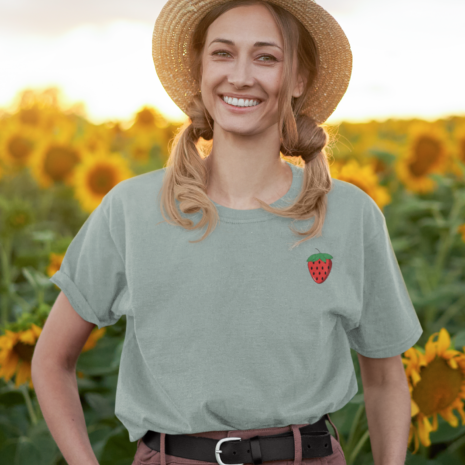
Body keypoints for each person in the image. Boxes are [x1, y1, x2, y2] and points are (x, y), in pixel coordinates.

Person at [31, 1, 423, 465]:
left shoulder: (350, 214)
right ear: (200, 69)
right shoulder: (130, 209)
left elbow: (385, 379)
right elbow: (52, 362)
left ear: (298, 79)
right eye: (222, 53)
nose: (240, 76)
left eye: (266, 57)